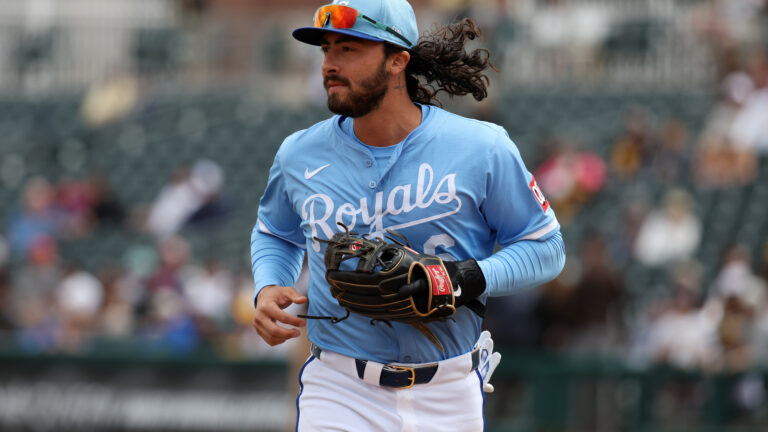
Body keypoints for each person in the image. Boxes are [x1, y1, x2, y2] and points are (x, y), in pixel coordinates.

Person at [250, 1, 566, 430]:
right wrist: (269, 285)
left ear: (398, 60)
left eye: (349, 49)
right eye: (326, 49)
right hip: (341, 388)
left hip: (449, 392)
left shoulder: (482, 148)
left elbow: (546, 247)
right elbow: (275, 232)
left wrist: (465, 277)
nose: (329, 64)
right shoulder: (298, 154)